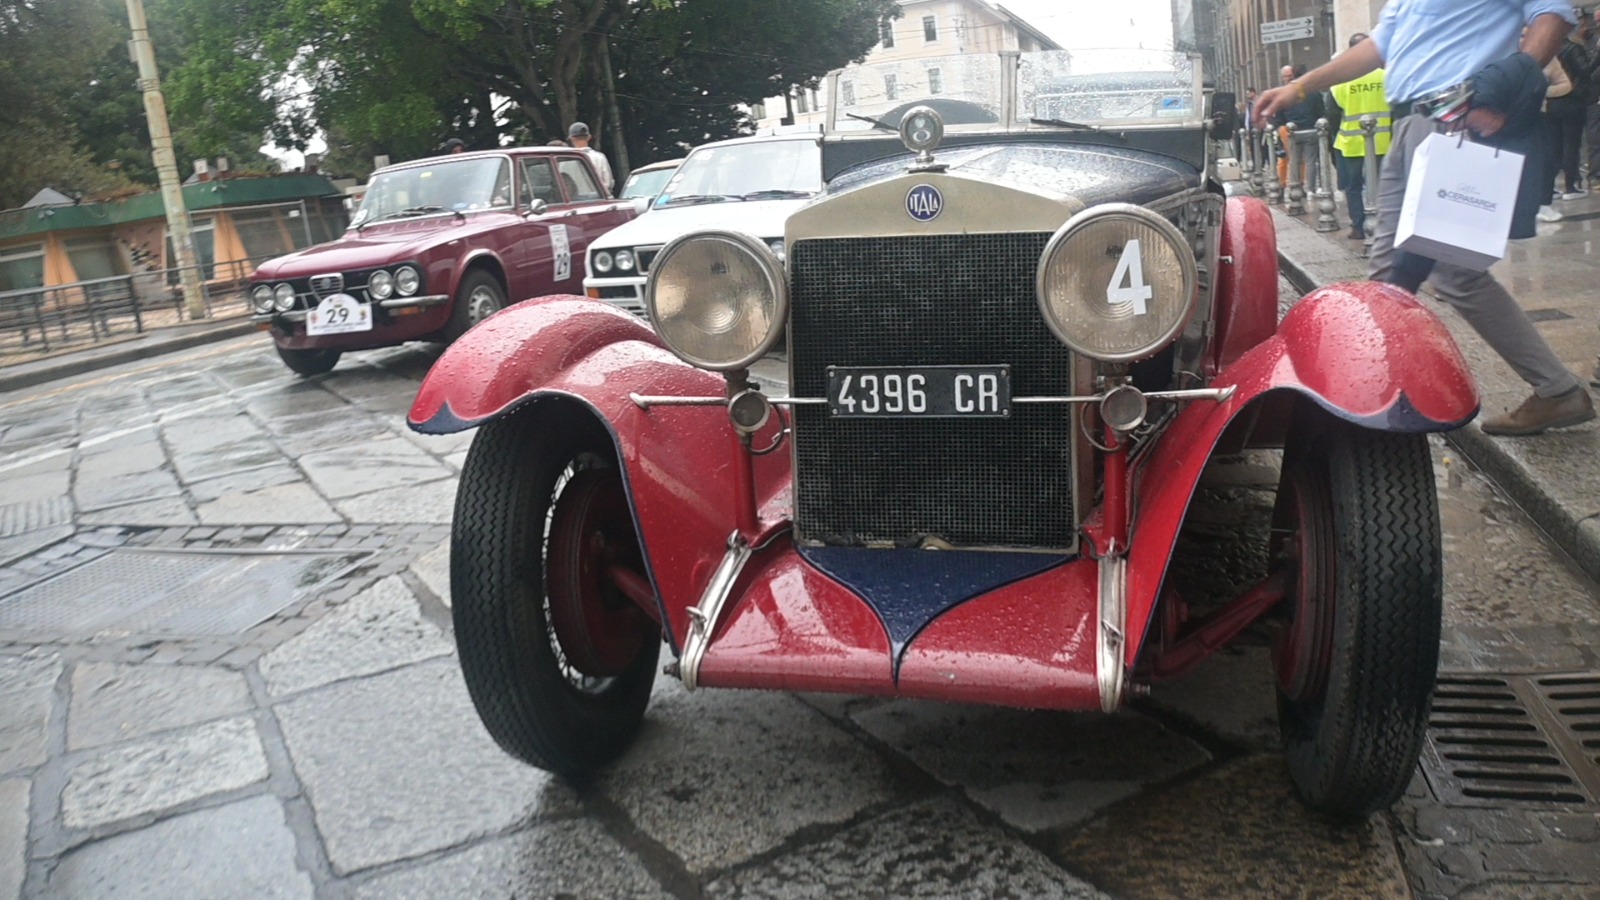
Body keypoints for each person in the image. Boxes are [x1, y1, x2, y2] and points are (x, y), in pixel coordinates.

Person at [1254, 0, 1595, 436]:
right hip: (1411, 125)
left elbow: (1553, 13)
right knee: (1385, 275)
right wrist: (1300, 87)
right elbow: (1379, 48)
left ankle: (1556, 389)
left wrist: (1508, 84)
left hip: (1457, 119)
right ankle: (1378, 396)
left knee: (1457, 273)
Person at [1329, 33, 1390, 240]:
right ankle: (1384, 229)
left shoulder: (1340, 82)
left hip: (1350, 144)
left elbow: (1332, 115)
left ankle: (1358, 227)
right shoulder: (1386, 76)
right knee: (1384, 187)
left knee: (1353, 188)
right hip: (1384, 143)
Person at [1273, 64, 1324, 190]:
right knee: (1311, 161)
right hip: (1311, 129)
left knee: (1294, 160)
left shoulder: (1285, 94)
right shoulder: (1313, 92)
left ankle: (1296, 186)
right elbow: (1321, 111)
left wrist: (1283, 127)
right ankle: (1311, 188)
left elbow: (1279, 116)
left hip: (1292, 131)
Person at [566, 122, 614, 195]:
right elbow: (608, 182)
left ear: (571, 138)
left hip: (574, 203)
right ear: (589, 137)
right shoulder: (600, 157)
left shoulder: (565, 160)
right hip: (597, 200)